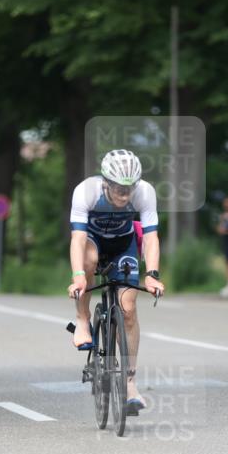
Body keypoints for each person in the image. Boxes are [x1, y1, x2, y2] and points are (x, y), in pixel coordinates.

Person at [67, 149, 165, 415]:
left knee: (129, 309)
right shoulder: (86, 191)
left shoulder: (145, 192)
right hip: (92, 242)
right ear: (106, 182)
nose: (125, 195)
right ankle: (84, 320)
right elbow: (77, 238)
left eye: (129, 188)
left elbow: (151, 237)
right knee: (87, 259)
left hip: (124, 245)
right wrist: (78, 278)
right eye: (119, 188)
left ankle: (130, 384)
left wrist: (152, 274)